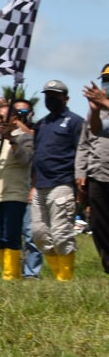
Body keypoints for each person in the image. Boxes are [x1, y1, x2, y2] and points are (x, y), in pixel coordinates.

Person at [31, 79, 83, 280]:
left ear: (65, 98)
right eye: (47, 95)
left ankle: (65, 280)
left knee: (61, 234)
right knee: (40, 234)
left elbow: (81, 151)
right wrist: (33, 184)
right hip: (40, 186)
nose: (50, 99)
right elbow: (36, 154)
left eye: (55, 95)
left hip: (62, 184)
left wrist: (80, 182)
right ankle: (57, 275)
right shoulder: (41, 124)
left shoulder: (75, 121)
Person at [0, 100, 35, 279]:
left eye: (2, 117)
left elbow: (25, 159)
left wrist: (11, 139)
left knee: (11, 237)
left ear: (14, 119)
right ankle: (9, 270)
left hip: (15, 195)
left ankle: (11, 276)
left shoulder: (25, 137)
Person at [77, 66, 109, 273]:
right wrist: (96, 111)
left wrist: (105, 102)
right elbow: (92, 135)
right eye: (105, 80)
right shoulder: (98, 109)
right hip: (100, 174)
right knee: (99, 225)